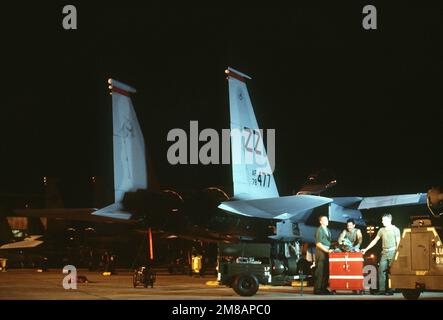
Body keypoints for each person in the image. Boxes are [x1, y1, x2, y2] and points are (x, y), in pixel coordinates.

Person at [361, 213, 400, 295]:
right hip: (384, 253)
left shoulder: (395, 229)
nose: (382, 222)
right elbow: (375, 241)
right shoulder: (381, 230)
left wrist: (397, 254)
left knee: (391, 271)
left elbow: (398, 243)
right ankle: (382, 290)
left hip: (393, 252)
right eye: (382, 220)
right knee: (381, 270)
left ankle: (391, 290)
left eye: (384, 220)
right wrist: (366, 249)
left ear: (389, 220)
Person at [314, 215, 333, 295]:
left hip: (327, 252)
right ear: (321, 222)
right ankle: (318, 290)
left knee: (326, 271)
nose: (327, 221)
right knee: (320, 272)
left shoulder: (327, 230)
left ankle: (324, 288)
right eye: (324, 220)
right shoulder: (320, 230)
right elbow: (318, 244)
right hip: (321, 252)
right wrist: (327, 250)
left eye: (327, 219)